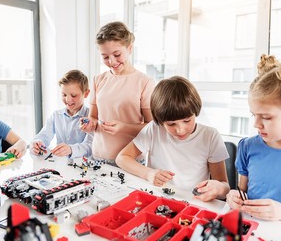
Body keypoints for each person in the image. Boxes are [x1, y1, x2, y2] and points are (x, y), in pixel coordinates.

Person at [226, 53, 281, 229]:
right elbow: (242, 193)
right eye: (254, 115)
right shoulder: (248, 147)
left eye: (266, 117)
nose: (256, 124)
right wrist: (234, 196)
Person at [116, 76, 230, 202]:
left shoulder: (210, 136)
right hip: (158, 198)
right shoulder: (154, 129)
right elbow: (122, 158)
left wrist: (218, 189)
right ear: (160, 121)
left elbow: (224, 187)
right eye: (171, 124)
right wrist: (149, 174)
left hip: (193, 202)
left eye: (187, 121)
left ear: (195, 112)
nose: (180, 130)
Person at [80, 21, 155, 165]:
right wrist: (89, 124)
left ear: (130, 48)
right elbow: (94, 118)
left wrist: (124, 127)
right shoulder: (98, 80)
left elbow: (152, 128)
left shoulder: (144, 82)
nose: (112, 61)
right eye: (105, 57)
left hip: (130, 160)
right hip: (98, 157)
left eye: (117, 54)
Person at [30, 70, 93, 159]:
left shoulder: (91, 117)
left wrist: (71, 149)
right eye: (64, 94)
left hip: (83, 167)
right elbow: (44, 135)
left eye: (74, 95)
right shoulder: (56, 115)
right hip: (61, 166)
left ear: (86, 93)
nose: (68, 100)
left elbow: (90, 146)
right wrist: (37, 143)